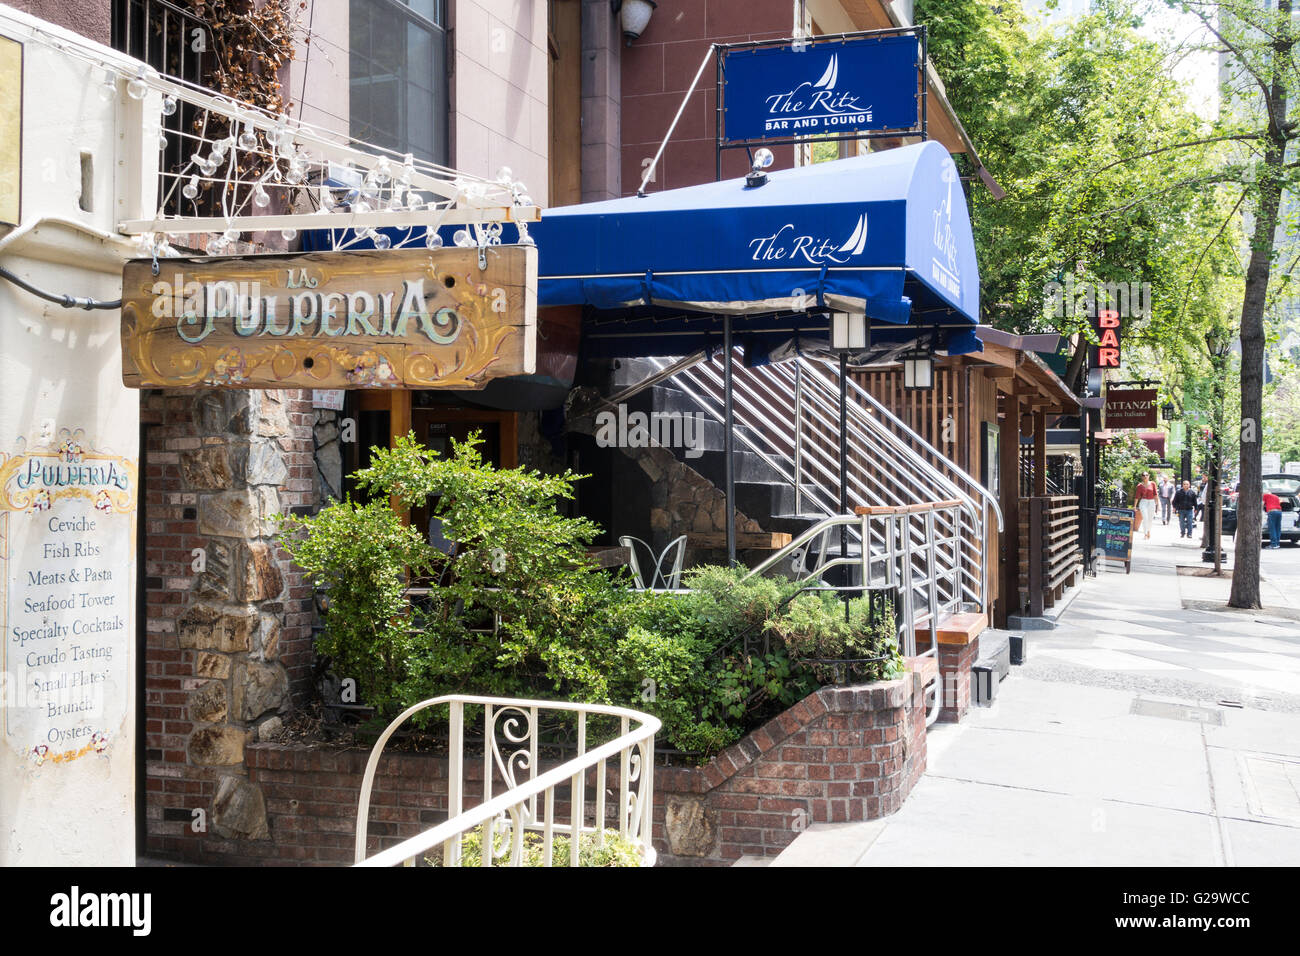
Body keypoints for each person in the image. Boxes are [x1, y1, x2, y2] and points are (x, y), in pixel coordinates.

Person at [1134, 472, 1158, 540]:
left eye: (1146, 475)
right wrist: (1134, 506)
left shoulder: (1153, 484)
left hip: (1151, 502)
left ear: (1149, 476)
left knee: (1150, 519)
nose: (1145, 476)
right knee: (1145, 517)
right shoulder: (1139, 486)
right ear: (1141, 477)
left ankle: (1148, 531)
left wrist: (1157, 505)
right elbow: (1137, 496)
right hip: (1143, 502)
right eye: (1143, 475)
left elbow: (1155, 494)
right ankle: (1145, 533)